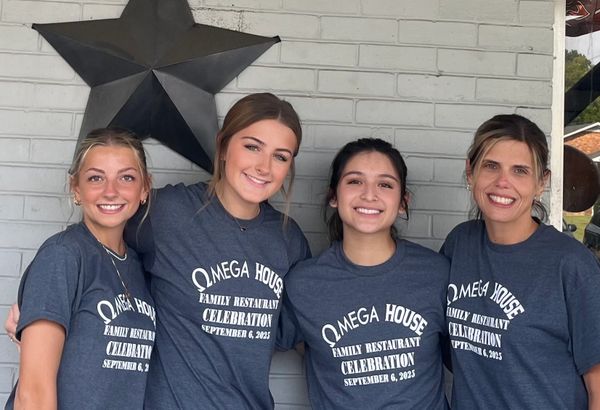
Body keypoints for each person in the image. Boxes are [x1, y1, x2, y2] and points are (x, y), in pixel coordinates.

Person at [5, 93, 310, 409]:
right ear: (222, 145)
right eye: (252, 146)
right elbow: (95, 233)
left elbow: (311, 327)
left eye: (281, 156)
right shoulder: (165, 213)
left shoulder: (288, 241)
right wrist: (40, 307)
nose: (263, 166)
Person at [277, 138, 449, 409]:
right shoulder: (304, 284)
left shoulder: (437, 274)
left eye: (385, 184)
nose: (370, 194)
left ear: (404, 201)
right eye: (355, 181)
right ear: (333, 195)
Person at [442, 114, 600, 409]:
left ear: (541, 183)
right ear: (470, 172)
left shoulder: (572, 265)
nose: (503, 182)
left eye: (520, 171)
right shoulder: (459, 244)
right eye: (491, 166)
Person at [5, 128, 155, 409]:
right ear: (76, 188)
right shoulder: (63, 256)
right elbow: (33, 393)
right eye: (96, 178)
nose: (111, 191)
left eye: (126, 178)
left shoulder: (139, 266)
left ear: (145, 188)